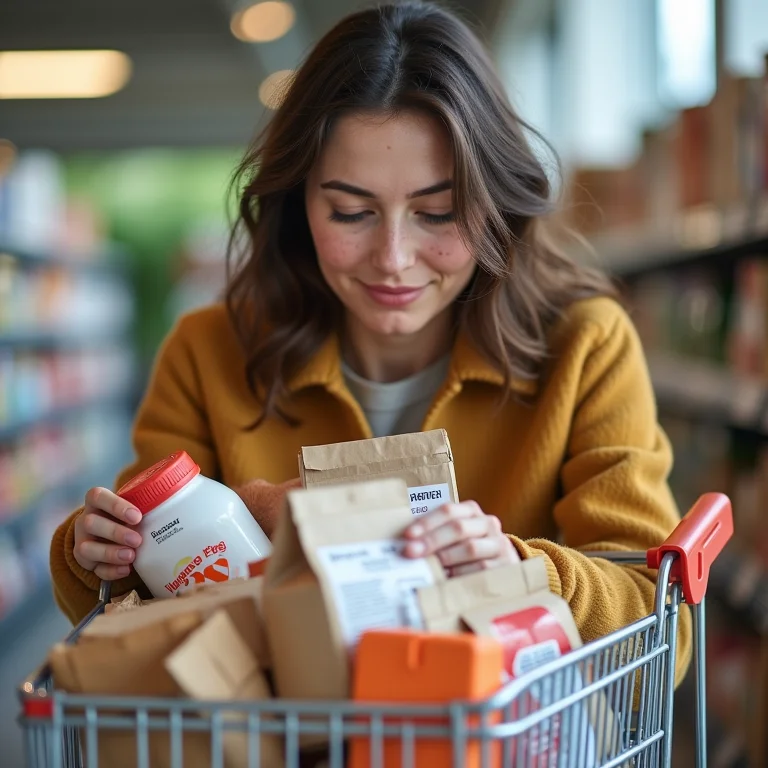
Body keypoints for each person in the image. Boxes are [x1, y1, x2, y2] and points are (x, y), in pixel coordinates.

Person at [50, 0, 690, 679]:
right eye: (351, 211)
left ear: (496, 199)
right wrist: (96, 552)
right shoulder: (207, 351)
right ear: (298, 202)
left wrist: (524, 573)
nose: (393, 258)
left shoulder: (586, 344)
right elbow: (134, 606)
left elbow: (661, 621)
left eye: (438, 212)